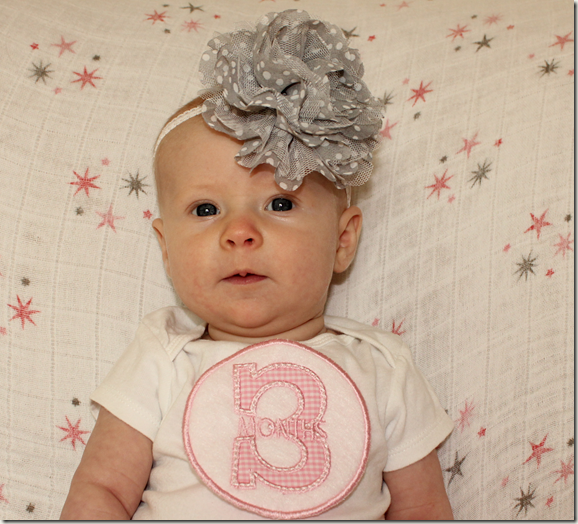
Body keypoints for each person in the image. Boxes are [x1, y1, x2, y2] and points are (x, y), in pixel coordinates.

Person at [60, 10, 454, 520]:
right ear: (166, 249)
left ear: (342, 241)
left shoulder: (383, 367)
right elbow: (103, 491)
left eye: (279, 203)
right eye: (206, 210)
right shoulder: (162, 357)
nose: (239, 231)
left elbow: (423, 507)